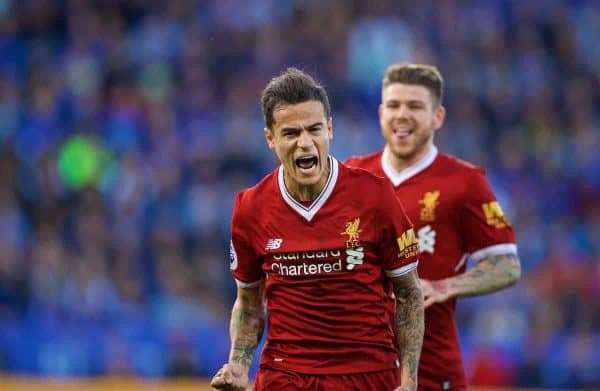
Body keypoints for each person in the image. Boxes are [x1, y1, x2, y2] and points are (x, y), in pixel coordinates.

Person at [210, 68, 424, 391]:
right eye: (291, 133)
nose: (305, 143)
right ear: (270, 138)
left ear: (330, 130)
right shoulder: (250, 208)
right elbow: (249, 302)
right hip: (285, 375)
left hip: (366, 374)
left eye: (314, 130)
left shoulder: (375, 197)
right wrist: (239, 365)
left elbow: (408, 295)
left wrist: (409, 383)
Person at [345, 63, 521, 390]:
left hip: (432, 370)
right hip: (360, 369)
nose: (402, 115)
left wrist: (444, 287)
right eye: (394, 105)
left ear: (437, 117)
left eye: (415, 106)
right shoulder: (352, 175)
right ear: (381, 113)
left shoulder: (465, 182)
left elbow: (507, 266)